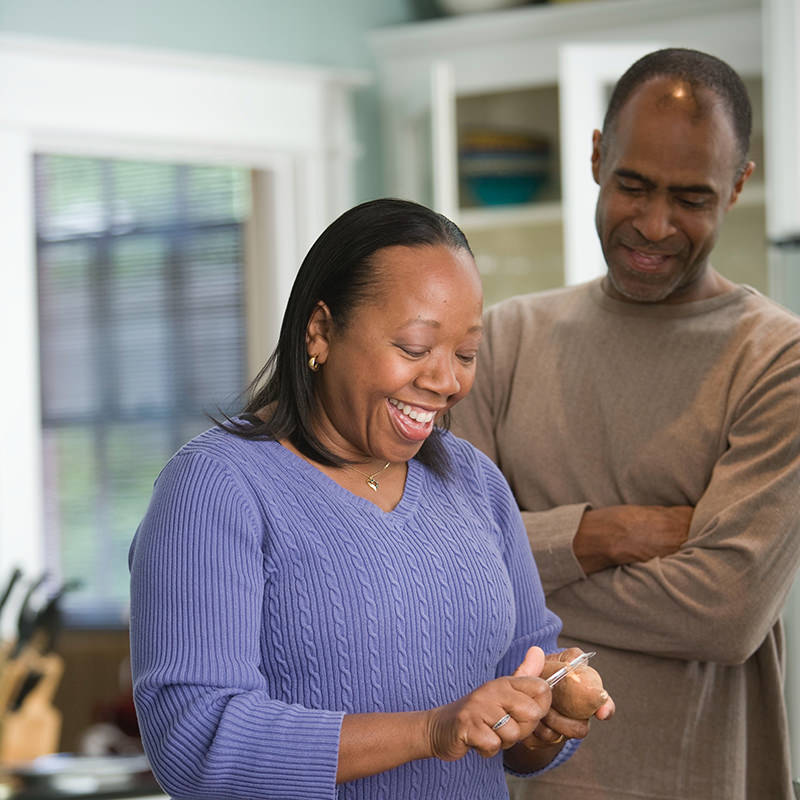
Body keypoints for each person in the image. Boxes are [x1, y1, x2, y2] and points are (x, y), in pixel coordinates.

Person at [128, 198, 614, 800]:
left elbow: (520, 688)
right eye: (414, 348)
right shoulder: (216, 488)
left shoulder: (475, 482)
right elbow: (195, 744)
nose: (446, 381)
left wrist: (550, 712)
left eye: (465, 354)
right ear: (321, 330)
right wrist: (432, 730)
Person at [451, 48, 800, 800]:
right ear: (596, 156)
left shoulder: (779, 360)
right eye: (633, 185)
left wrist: (516, 558)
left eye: (692, 198)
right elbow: (446, 571)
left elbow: (725, 612)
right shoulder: (505, 340)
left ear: (738, 186)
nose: (654, 224)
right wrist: (595, 536)